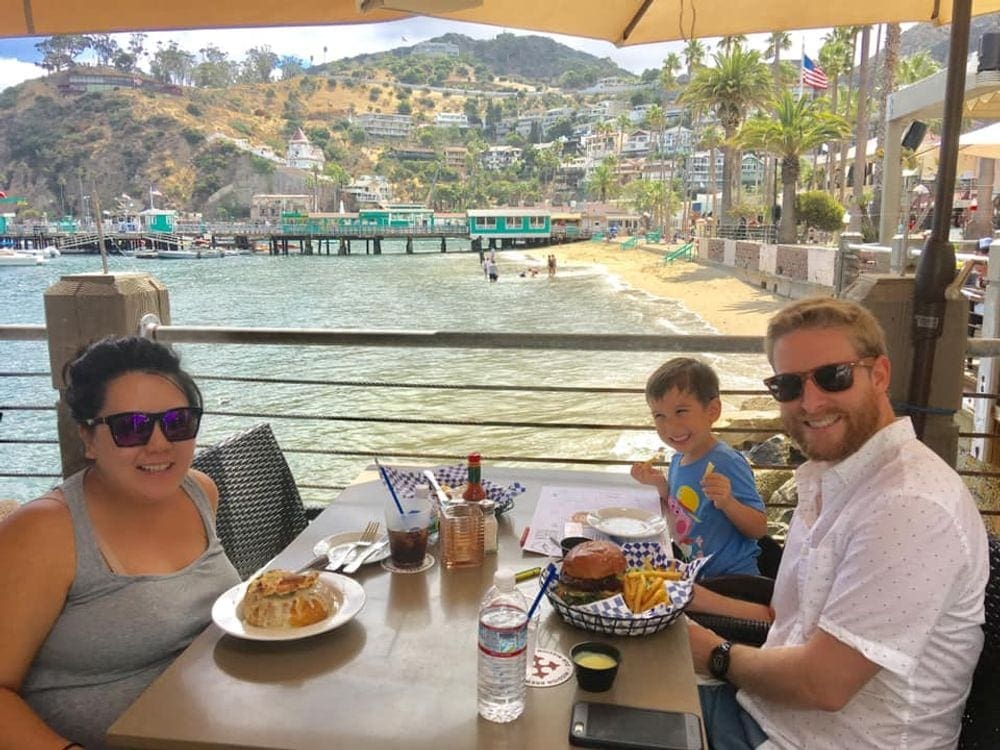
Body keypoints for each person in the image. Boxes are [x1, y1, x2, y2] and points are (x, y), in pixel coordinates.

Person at [687, 298, 990, 750]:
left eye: (834, 376)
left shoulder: (907, 505)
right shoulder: (838, 478)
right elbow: (783, 621)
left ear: (880, 374)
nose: (810, 402)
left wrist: (712, 652)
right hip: (767, 712)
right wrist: (693, 598)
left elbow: (823, 685)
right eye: (788, 385)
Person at [0, 336, 240, 750]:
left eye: (178, 422)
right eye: (132, 427)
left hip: (221, 724)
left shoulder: (199, 491)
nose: (160, 443)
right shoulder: (44, 531)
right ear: (88, 439)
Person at [630, 357, 767, 578]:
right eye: (659, 416)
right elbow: (680, 514)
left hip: (734, 579)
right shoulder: (677, 460)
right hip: (695, 575)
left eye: (681, 411)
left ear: (712, 411)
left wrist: (728, 502)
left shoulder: (726, 462)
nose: (670, 426)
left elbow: (759, 529)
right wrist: (661, 488)